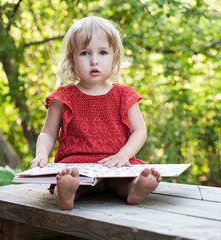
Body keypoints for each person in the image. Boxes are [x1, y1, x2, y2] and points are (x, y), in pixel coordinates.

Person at [30, 16, 161, 210]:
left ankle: (136, 190)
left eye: (102, 52)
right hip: (77, 163)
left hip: (115, 161)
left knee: (125, 180)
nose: (94, 61)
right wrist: (41, 153)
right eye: (84, 53)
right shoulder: (63, 97)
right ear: (72, 60)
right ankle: (67, 194)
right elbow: (48, 132)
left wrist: (124, 155)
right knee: (68, 178)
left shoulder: (124, 94)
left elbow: (139, 131)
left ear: (114, 57)